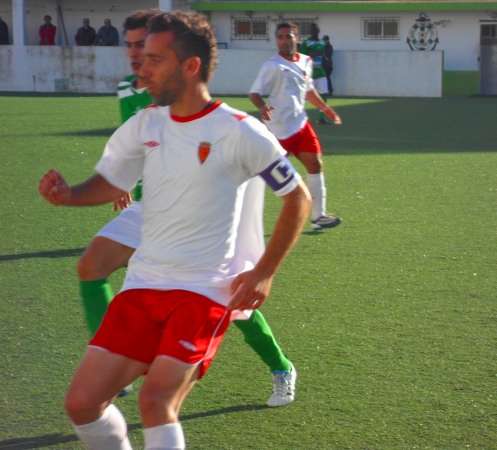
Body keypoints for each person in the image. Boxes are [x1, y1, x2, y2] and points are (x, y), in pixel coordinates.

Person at [39, 10, 311, 449]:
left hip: (203, 291)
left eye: (155, 59)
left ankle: (280, 366)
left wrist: (264, 271)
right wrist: (69, 194)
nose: (142, 68)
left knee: (155, 401)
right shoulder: (146, 122)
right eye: (142, 56)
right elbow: (113, 182)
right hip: (143, 284)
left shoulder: (240, 131)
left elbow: (298, 198)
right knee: (82, 403)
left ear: (190, 66)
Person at [249, 22, 342, 231]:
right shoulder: (272, 65)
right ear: (277, 40)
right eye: (280, 37)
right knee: (259, 175)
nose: (284, 40)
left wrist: (324, 108)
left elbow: (308, 90)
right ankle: (241, 218)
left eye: (288, 36)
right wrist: (262, 106)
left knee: (315, 164)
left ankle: (318, 216)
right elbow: (254, 92)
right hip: (278, 129)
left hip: (300, 124)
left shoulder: (306, 61)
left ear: (296, 39)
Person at [299, 23, 330, 124]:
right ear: (310, 32)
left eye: (315, 31)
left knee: (324, 94)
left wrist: (326, 58)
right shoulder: (306, 43)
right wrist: (314, 54)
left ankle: (320, 118)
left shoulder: (321, 42)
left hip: (320, 72)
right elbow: (301, 56)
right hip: (309, 74)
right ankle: (298, 117)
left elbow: (323, 52)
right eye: (312, 31)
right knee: (304, 97)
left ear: (318, 31)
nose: (314, 32)